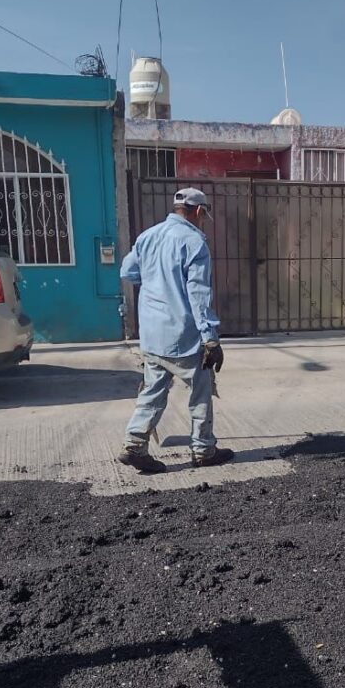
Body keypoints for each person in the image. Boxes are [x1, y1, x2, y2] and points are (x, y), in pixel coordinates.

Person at [118, 188, 234, 474]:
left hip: (152, 335)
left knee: (153, 391)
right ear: (198, 211)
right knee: (200, 391)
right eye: (204, 215)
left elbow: (127, 272)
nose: (204, 220)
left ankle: (135, 444)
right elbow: (198, 294)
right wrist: (210, 339)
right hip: (184, 335)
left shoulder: (148, 236)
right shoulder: (194, 242)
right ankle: (203, 450)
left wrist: (156, 282)